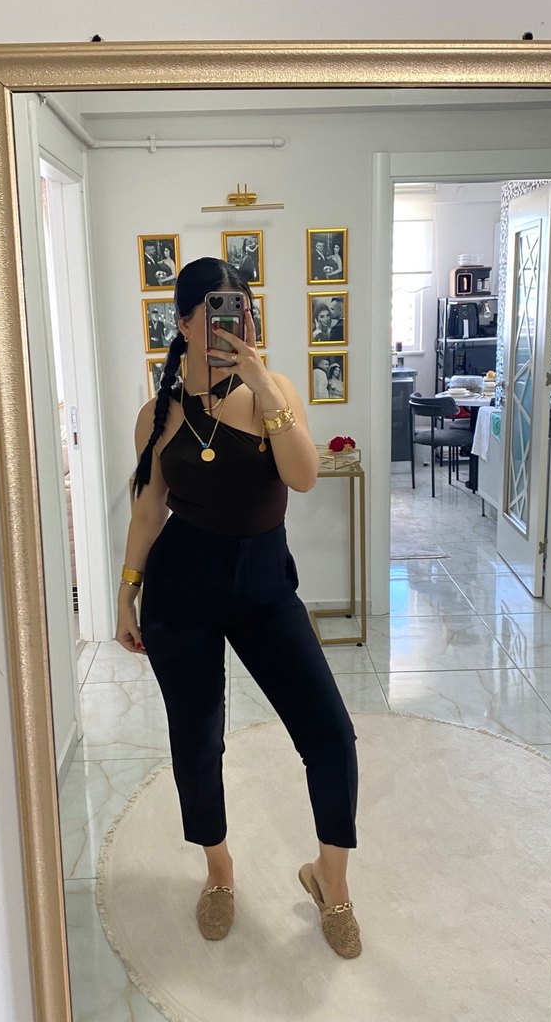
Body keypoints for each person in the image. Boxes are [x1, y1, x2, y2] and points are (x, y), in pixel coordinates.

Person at [116, 257, 361, 959]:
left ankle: (330, 878)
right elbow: (148, 509)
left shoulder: (271, 391)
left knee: (330, 735)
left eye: (244, 308)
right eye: (218, 309)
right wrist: (126, 591)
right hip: (180, 596)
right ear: (183, 322)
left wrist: (258, 381)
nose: (236, 321)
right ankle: (219, 871)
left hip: (263, 591)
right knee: (197, 742)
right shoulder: (158, 414)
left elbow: (303, 477)